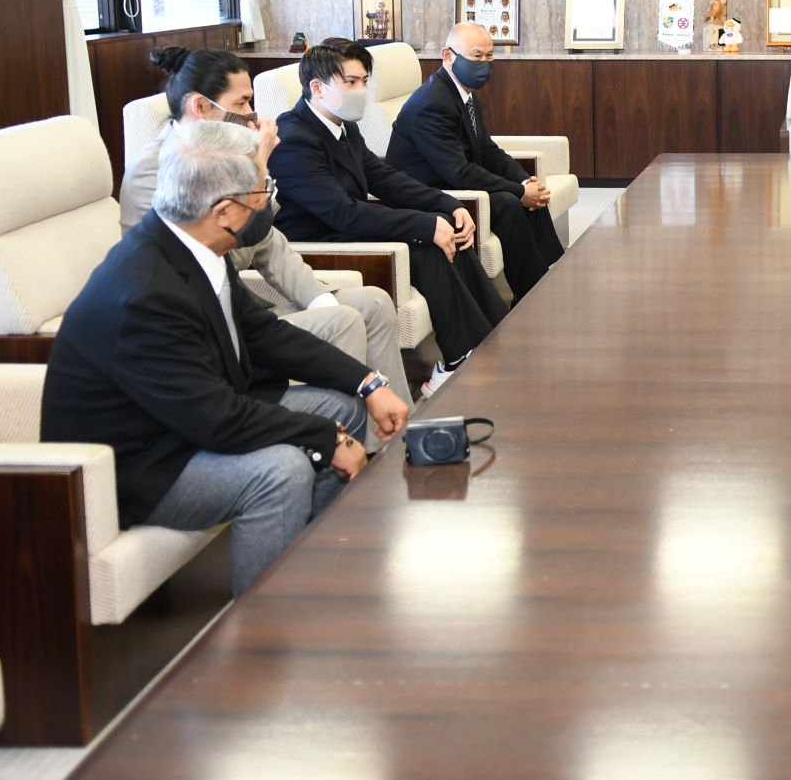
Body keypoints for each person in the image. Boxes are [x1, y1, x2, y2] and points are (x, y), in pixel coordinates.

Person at [42, 122, 410, 594]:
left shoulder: (194, 246)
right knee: (281, 472)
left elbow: (264, 334)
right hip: (141, 463)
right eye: (262, 191)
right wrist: (324, 438)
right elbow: (215, 420)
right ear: (224, 211)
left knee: (342, 407)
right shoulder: (146, 293)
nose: (269, 202)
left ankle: (312, 570)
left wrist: (368, 382)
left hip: (186, 421)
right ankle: (265, 625)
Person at [122, 47, 414, 407]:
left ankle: (401, 424)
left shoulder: (228, 152)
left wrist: (319, 299)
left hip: (246, 308)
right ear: (201, 107)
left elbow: (270, 245)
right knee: (343, 321)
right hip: (208, 324)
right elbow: (215, 249)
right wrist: (258, 168)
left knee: (374, 303)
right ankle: (355, 429)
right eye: (242, 103)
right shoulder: (158, 168)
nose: (252, 114)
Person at [268, 43, 507, 396]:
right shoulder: (293, 138)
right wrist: (425, 226)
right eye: (351, 82)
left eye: (364, 81)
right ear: (317, 87)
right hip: (320, 242)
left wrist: (448, 204)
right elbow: (341, 212)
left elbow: (383, 178)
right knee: (425, 244)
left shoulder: (342, 125)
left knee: (447, 224)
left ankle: (496, 334)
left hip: (347, 227)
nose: (361, 90)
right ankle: (458, 358)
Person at [385, 23, 565, 302]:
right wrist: (519, 192)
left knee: (531, 198)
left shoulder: (465, 95)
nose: (484, 64)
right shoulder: (432, 104)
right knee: (509, 203)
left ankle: (546, 281)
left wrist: (524, 181)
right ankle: (532, 296)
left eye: (489, 56)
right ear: (448, 56)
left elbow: (488, 151)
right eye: (476, 56)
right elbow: (458, 172)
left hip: (454, 182)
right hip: (430, 193)